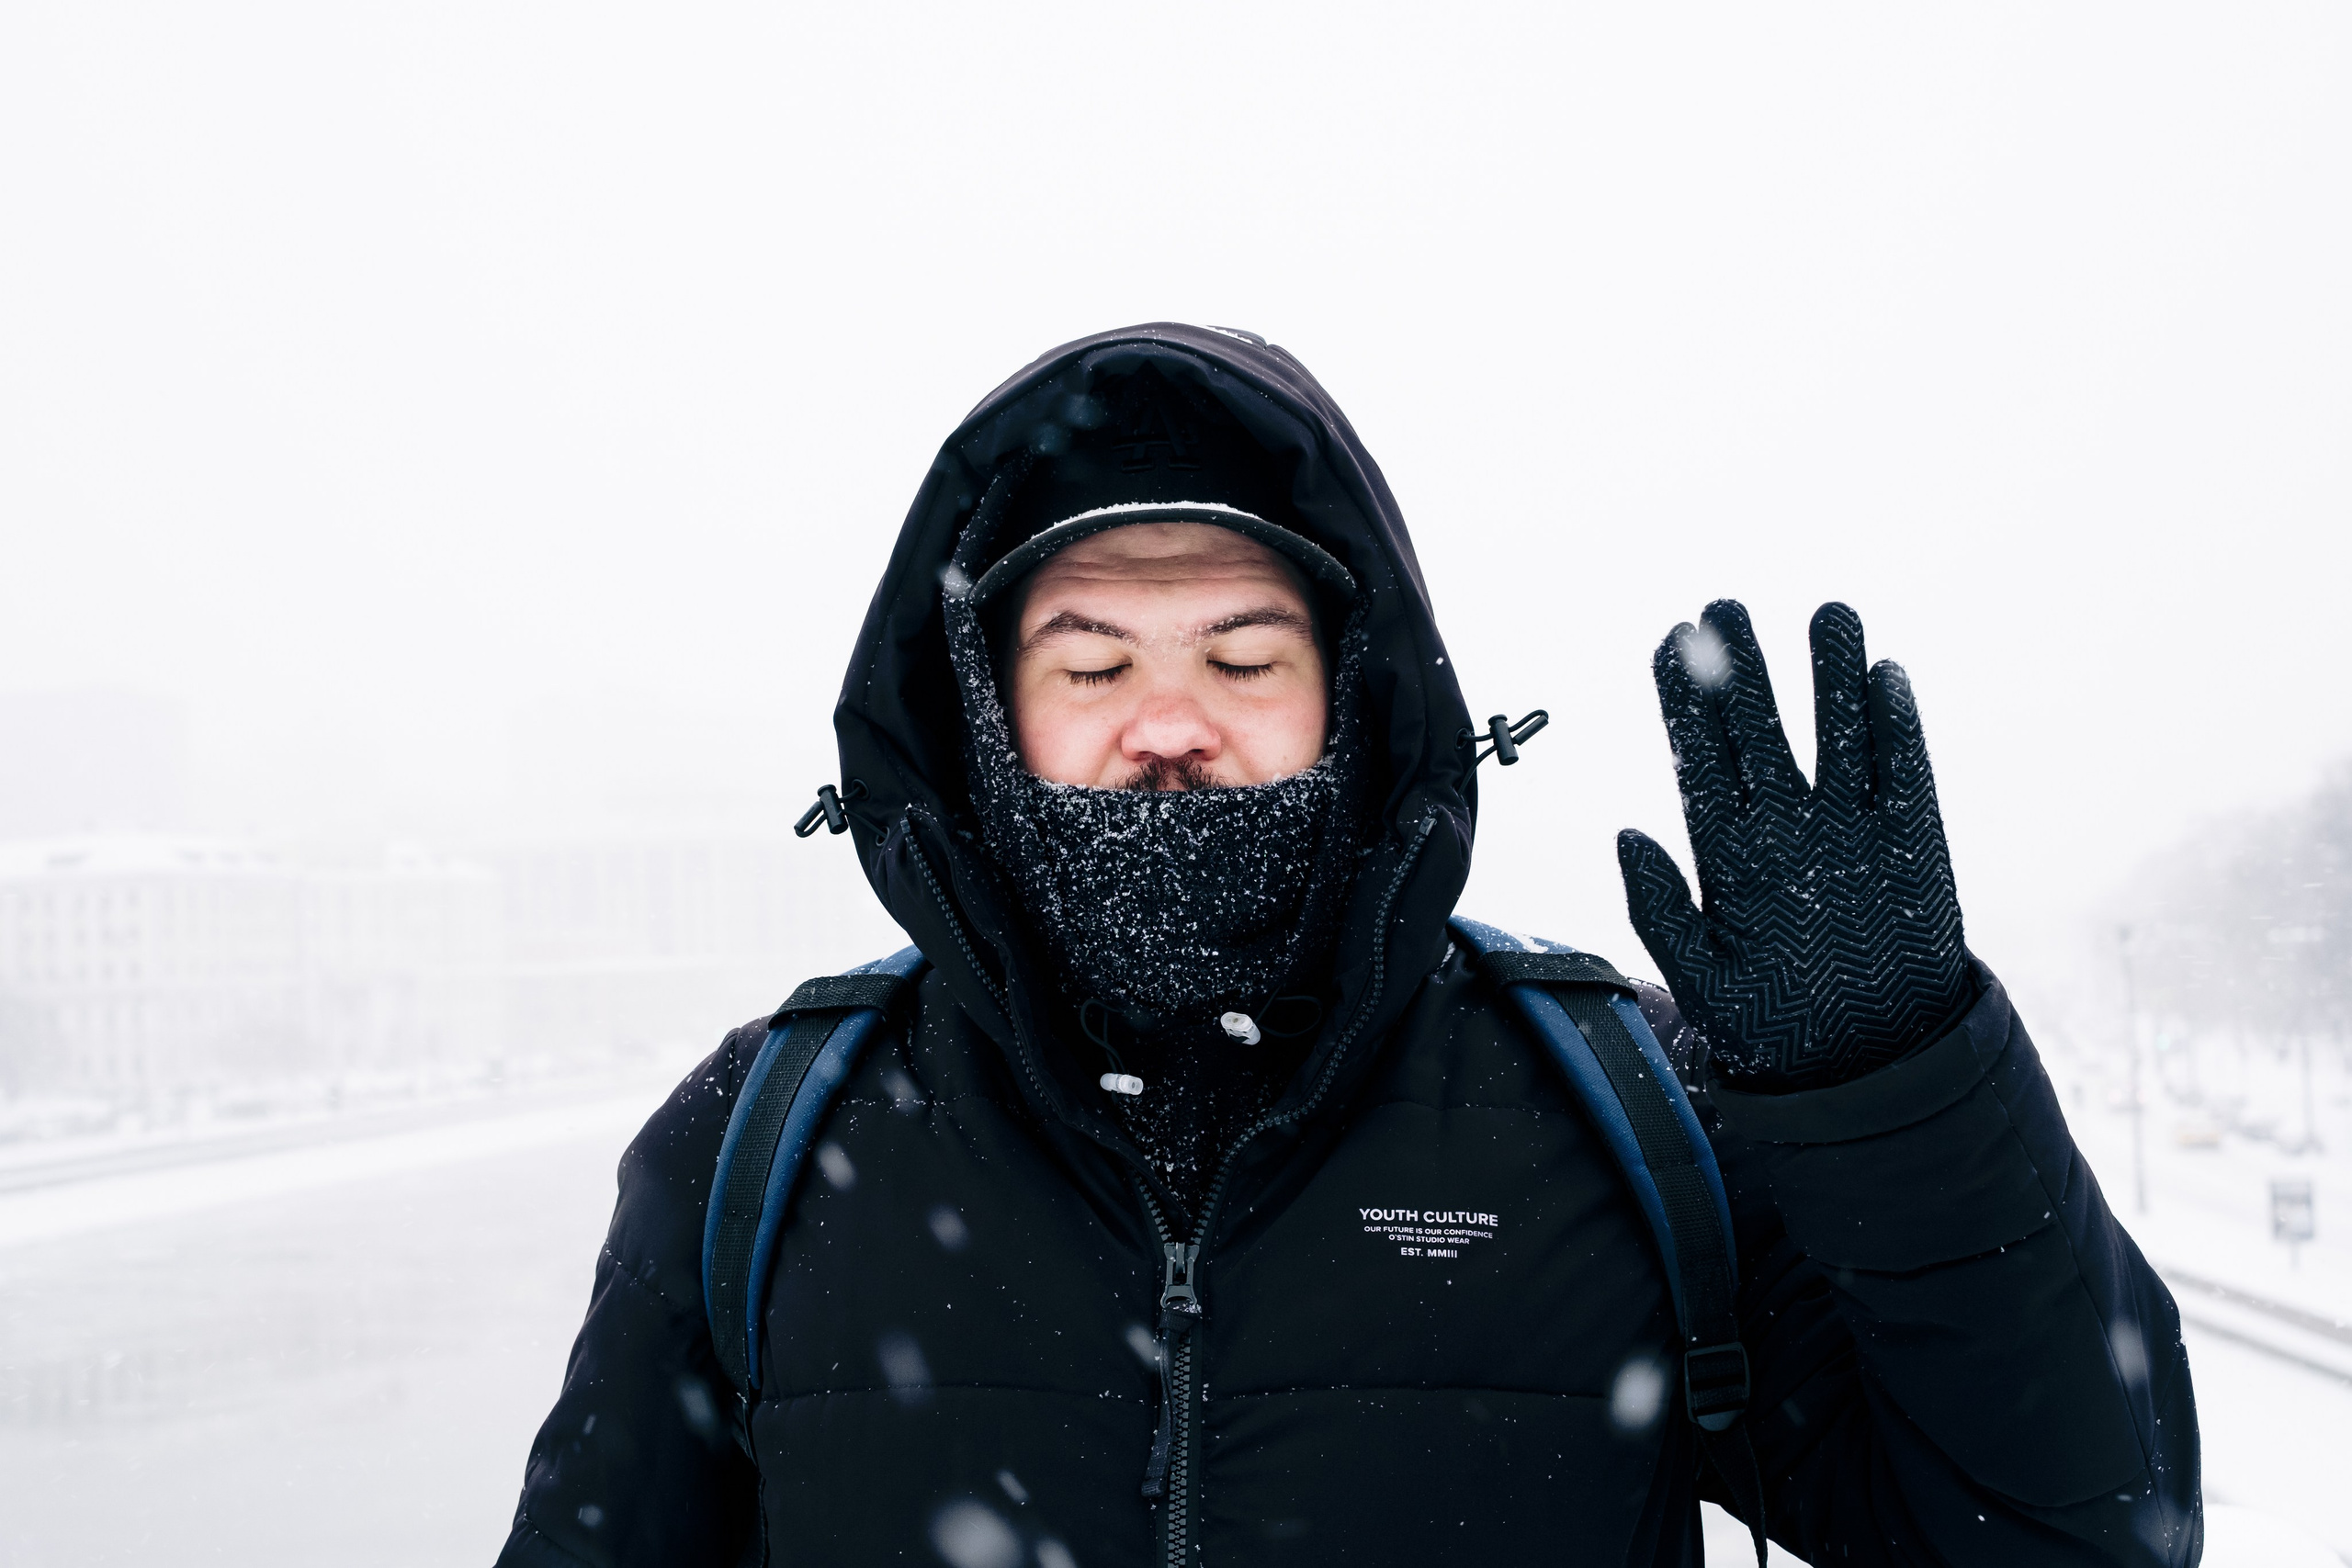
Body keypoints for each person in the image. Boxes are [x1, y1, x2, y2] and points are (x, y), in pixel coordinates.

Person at [494, 325, 2199, 1567]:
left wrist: (1894, 1092)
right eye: (1091, 668)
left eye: (1245, 661)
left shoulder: (1621, 1111)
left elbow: (2082, 1533)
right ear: (983, 722)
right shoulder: (771, 1141)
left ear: (1355, 713)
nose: (1170, 724)